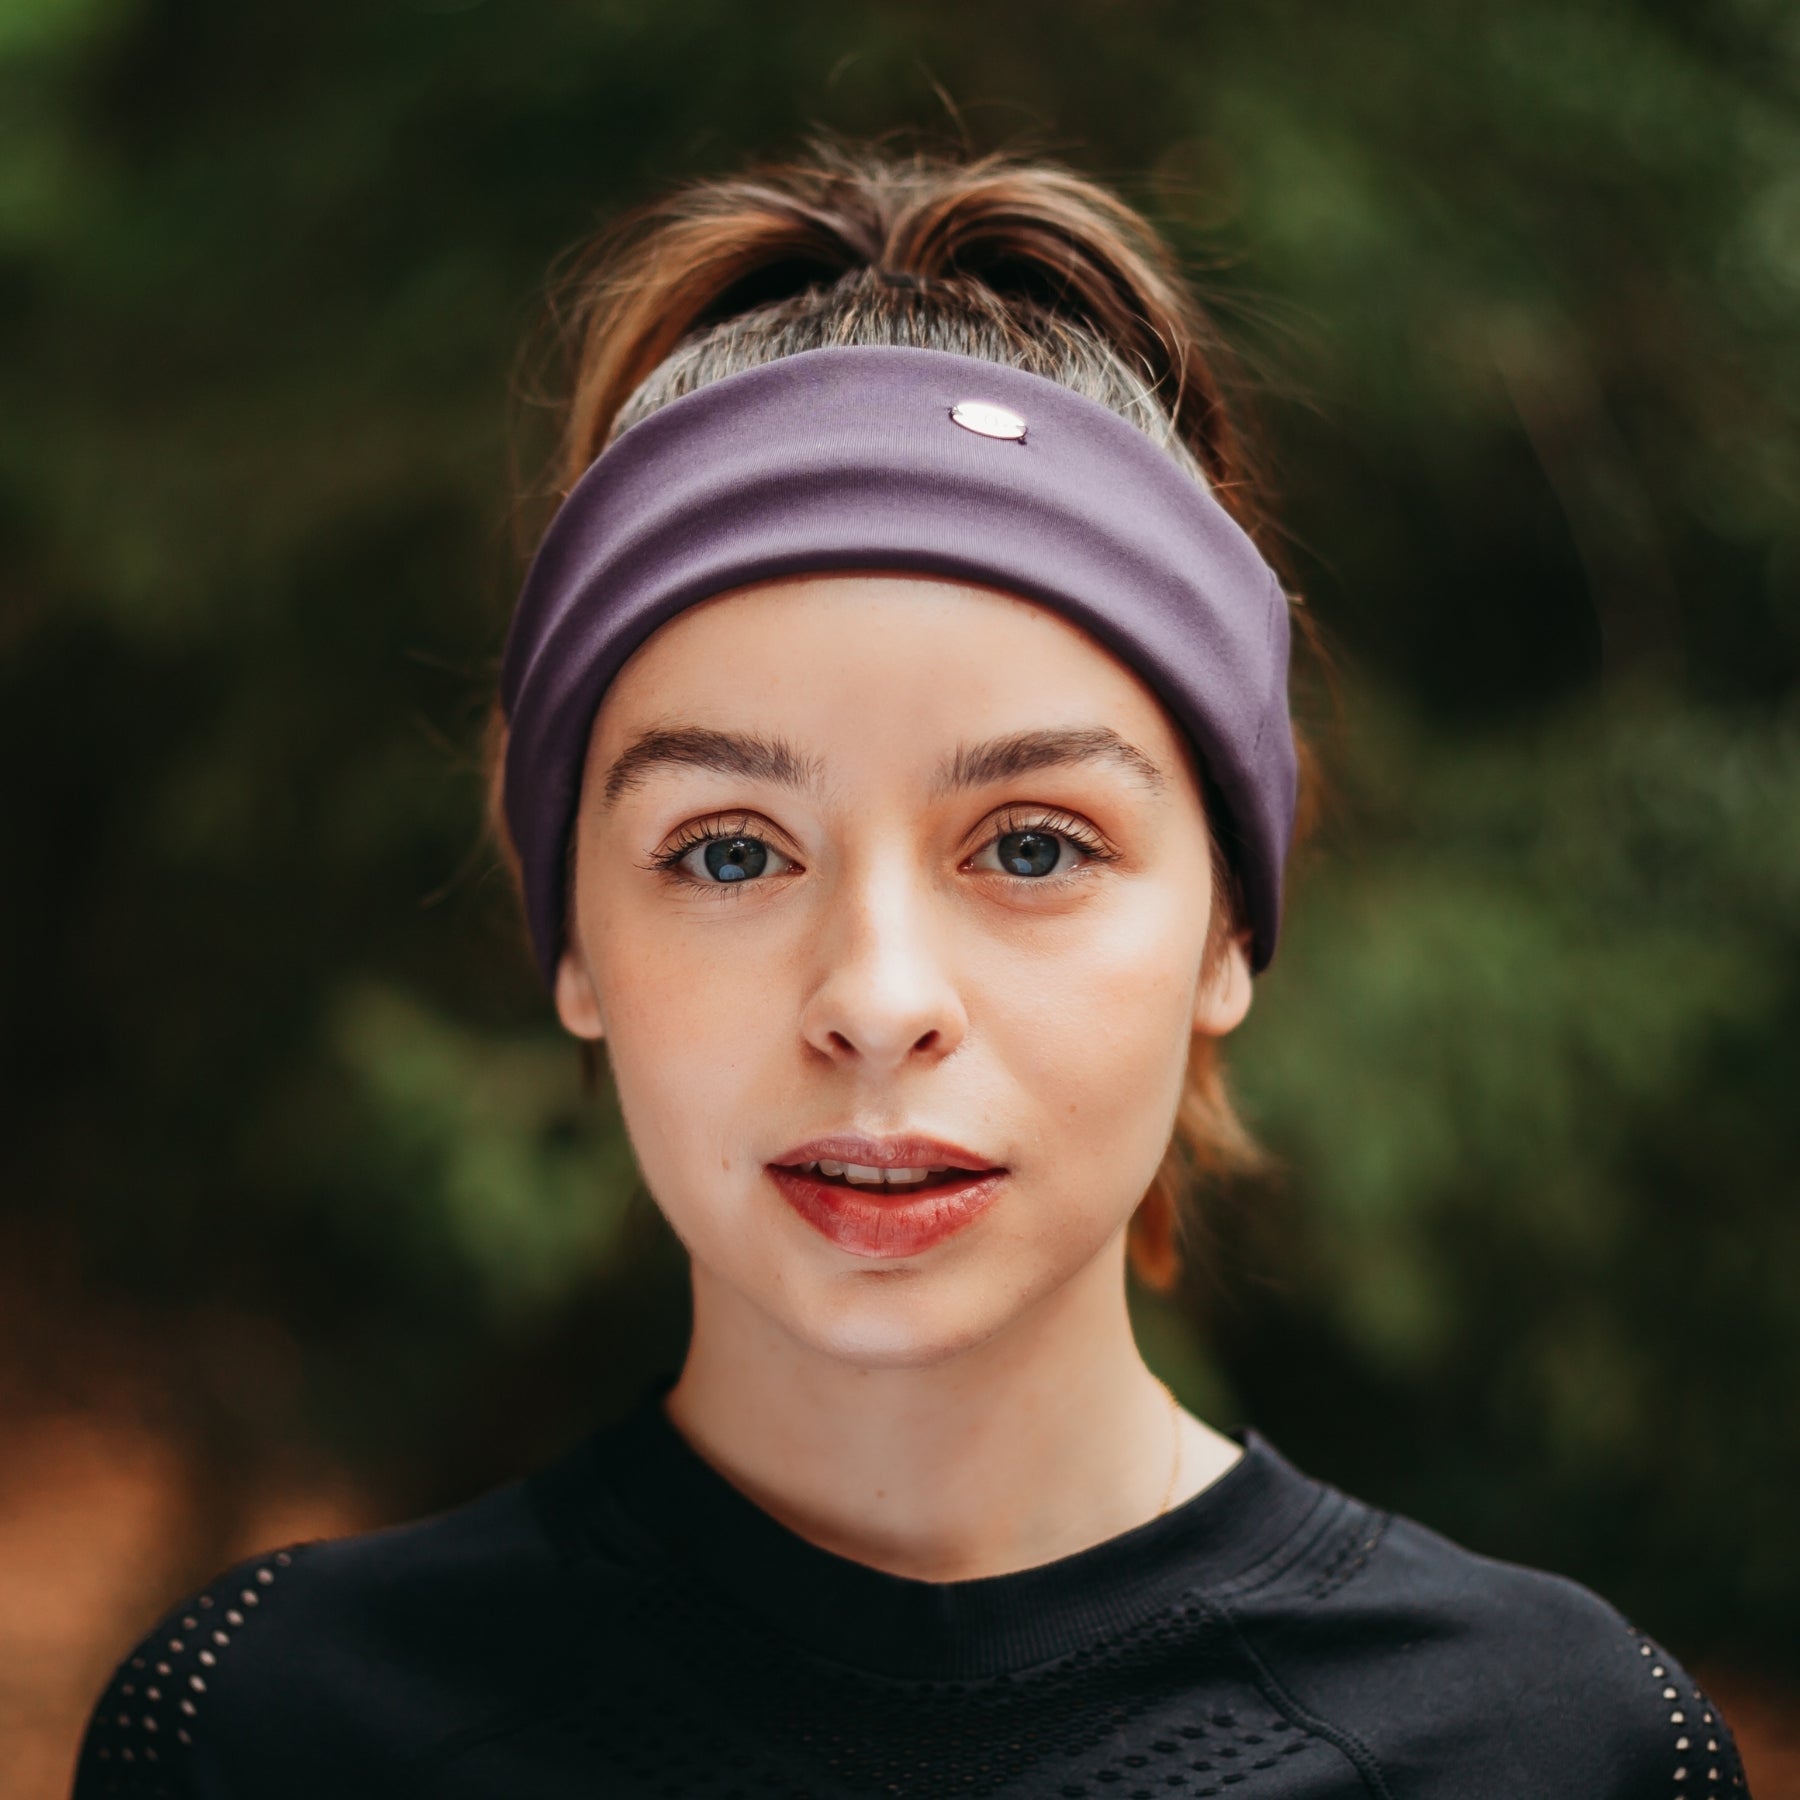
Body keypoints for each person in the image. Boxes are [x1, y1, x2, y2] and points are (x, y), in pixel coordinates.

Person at [72, 141, 1748, 1800]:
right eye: (730, 850)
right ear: (571, 930)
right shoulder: (270, 1737)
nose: (875, 999)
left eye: (1032, 845)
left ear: (1232, 921)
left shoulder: (1563, 1752)